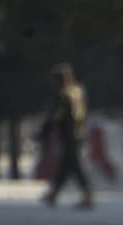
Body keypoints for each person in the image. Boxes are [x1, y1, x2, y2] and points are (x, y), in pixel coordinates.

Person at [40, 63, 92, 210]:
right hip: (78, 133)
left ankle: (87, 194)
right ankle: (54, 193)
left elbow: (56, 116)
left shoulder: (63, 94)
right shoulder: (77, 91)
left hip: (68, 133)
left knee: (73, 165)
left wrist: (45, 131)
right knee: (66, 165)